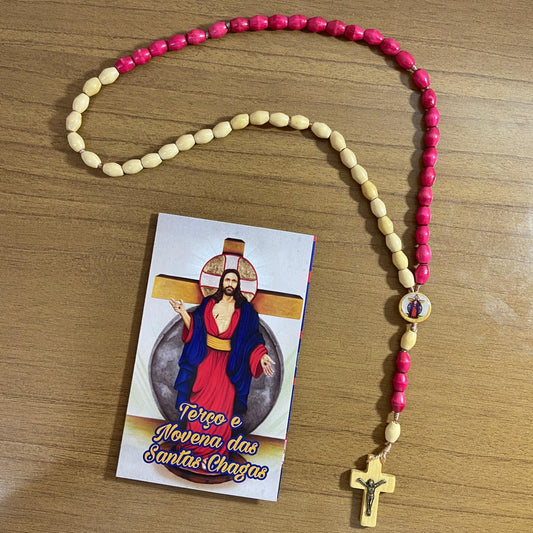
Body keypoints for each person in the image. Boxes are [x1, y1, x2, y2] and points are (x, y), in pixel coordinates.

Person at [170, 269, 275, 468]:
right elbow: (196, 328)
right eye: (227, 279)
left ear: (238, 284)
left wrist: (261, 355)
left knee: (222, 410)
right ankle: (192, 449)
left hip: (229, 365)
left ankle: (213, 455)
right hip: (205, 360)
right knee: (197, 404)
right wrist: (183, 312)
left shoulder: (246, 311)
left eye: (234, 280)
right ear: (221, 282)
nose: (230, 283)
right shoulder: (209, 304)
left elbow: (252, 338)